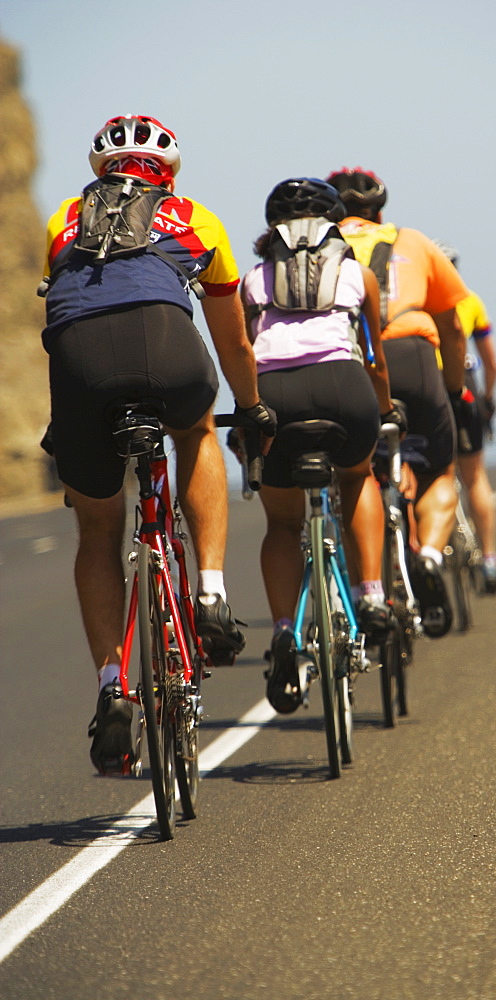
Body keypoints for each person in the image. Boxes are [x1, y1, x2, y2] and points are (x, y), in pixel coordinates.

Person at [39, 114, 276, 774]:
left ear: (99, 171)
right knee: (195, 430)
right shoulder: (197, 218)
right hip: (167, 348)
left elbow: (60, 307)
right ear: (168, 172)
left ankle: (113, 686)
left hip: (79, 361)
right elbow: (233, 342)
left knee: (97, 531)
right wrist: (251, 408)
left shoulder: (63, 217)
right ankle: (209, 594)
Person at [240, 177, 402, 713]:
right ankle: (373, 595)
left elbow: (244, 355)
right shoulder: (357, 274)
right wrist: (383, 412)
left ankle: (285, 631)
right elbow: (375, 358)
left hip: (275, 399)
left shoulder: (252, 280)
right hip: (344, 387)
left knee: (283, 524)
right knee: (358, 476)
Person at [325, 168, 471, 636]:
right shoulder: (413, 241)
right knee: (437, 472)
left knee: (357, 474)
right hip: (413, 357)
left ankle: (366, 586)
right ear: (379, 212)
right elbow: (452, 327)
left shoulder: (320, 248)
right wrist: (451, 392)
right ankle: (428, 555)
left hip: (350, 362)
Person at [432, 242, 496, 593]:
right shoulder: (471, 300)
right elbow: (492, 363)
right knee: (475, 476)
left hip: (427, 391)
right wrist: (489, 400)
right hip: (466, 390)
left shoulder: (414, 302)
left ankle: (427, 553)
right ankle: (489, 558)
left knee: (433, 475)